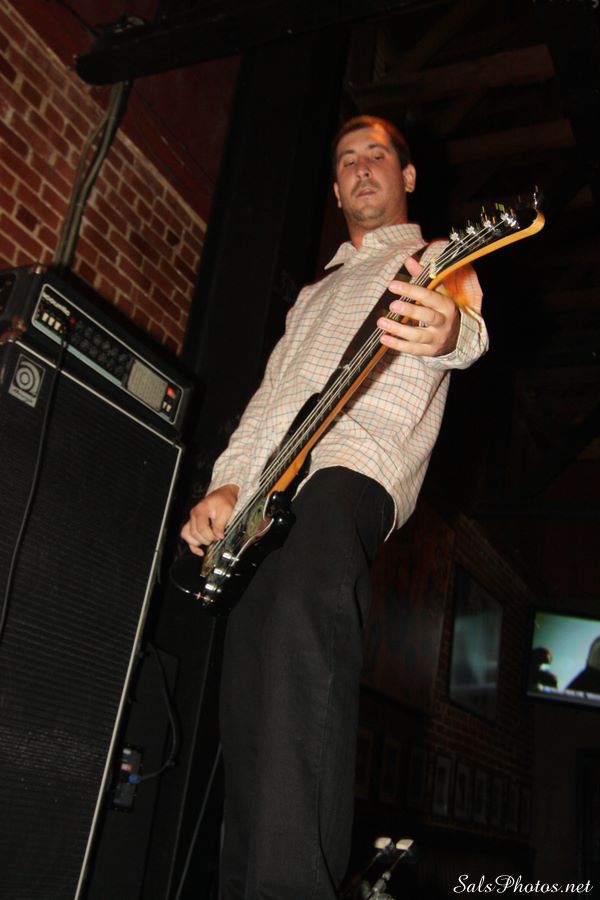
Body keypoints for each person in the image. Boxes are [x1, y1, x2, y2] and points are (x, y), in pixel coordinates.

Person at [181, 115, 488, 900]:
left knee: (300, 623)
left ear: (407, 176)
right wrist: (227, 483)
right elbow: (269, 402)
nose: (361, 168)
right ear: (335, 187)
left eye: (377, 154)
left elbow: (463, 327)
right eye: (347, 159)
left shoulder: (438, 259)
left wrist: (450, 330)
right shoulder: (315, 293)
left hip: (354, 468)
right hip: (269, 493)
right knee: (249, 685)